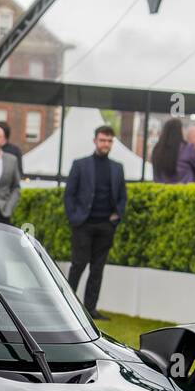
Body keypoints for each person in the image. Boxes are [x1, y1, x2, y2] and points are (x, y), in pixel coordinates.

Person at [63, 125, 127, 320]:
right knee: (78, 265)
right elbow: (69, 195)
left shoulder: (117, 168)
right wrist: (74, 218)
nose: (105, 144)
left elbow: (122, 197)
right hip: (83, 224)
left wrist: (117, 217)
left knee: (97, 269)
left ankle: (90, 309)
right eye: (102, 140)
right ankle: (67, 307)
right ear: (95, 141)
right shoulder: (80, 164)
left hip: (106, 226)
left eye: (109, 141)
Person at [151, 117, 195, 184]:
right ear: (180, 131)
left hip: (161, 190)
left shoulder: (157, 149)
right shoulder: (188, 148)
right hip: (183, 190)